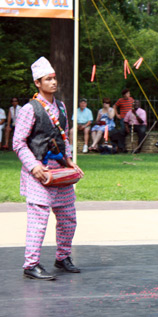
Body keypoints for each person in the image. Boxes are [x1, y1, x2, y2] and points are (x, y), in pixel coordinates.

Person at [12, 56, 84, 280]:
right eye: (47, 79)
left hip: (60, 172)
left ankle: (62, 257)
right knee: (39, 220)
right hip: (39, 172)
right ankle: (31, 264)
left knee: (68, 217)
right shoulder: (28, 109)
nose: (53, 82)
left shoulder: (61, 107)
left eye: (54, 78)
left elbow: (65, 138)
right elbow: (18, 142)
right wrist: (33, 167)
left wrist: (70, 160)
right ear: (37, 83)